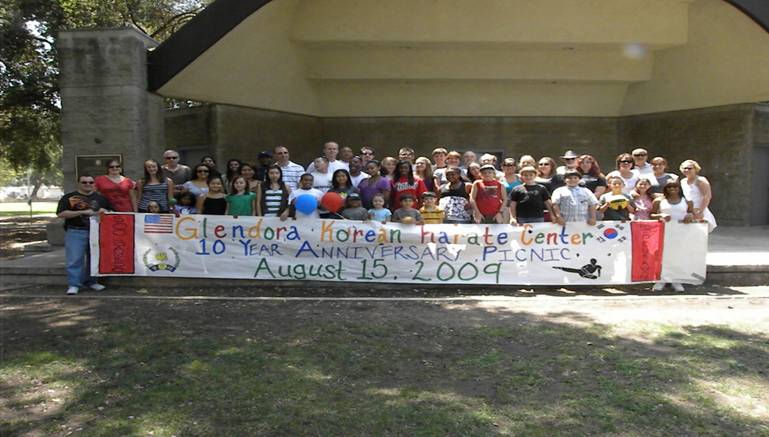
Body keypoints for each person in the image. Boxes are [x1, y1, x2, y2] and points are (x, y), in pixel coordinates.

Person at [57, 174, 112, 295]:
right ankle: (74, 284)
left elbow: (110, 212)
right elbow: (61, 214)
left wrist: (105, 211)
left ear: (94, 184)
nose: (88, 184)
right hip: (76, 231)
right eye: (84, 182)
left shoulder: (101, 198)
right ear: (79, 183)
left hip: (96, 232)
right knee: (75, 259)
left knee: (94, 258)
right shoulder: (69, 197)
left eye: (90, 182)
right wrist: (82, 212)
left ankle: (92, 282)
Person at [650, 181, 695, 292]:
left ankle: (676, 280)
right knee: (663, 256)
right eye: (669, 187)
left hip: (681, 232)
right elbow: (651, 215)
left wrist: (690, 215)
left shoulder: (687, 201)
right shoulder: (659, 201)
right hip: (664, 231)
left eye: (675, 187)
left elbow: (692, 213)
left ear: (679, 188)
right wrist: (660, 215)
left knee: (677, 256)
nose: (672, 189)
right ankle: (661, 280)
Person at [680, 159, 717, 232]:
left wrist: (700, 212)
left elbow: (707, 196)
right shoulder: (683, 181)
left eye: (689, 168)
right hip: (687, 210)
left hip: (699, 210)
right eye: (685, 168)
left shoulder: (700, 180)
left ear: (695, 169)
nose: (687, 170)